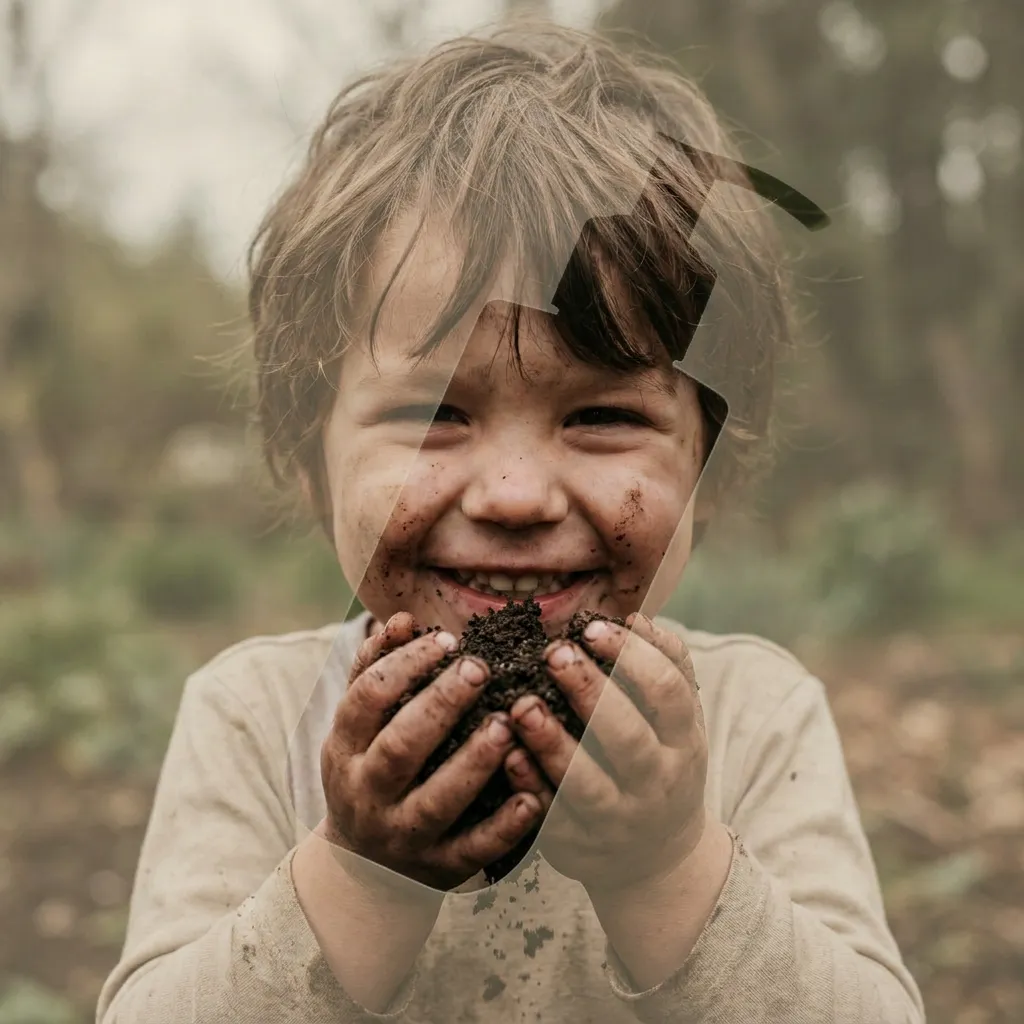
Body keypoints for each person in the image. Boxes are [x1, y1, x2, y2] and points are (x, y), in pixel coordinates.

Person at [96, 17, 925, 1024]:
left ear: (706, 465)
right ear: (312, 462)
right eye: (432, 414)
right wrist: (360, 876)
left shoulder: (755, 719)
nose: (517, 495)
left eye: (604, 415)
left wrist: (667, 862)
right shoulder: (254, 718)